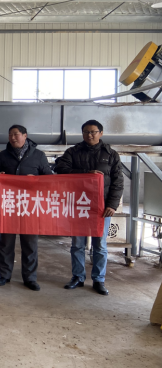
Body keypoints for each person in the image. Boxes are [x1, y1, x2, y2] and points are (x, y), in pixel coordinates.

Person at [54, 120, 124, 296]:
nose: (89, 135)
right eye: (86, 132)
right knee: (77, 244)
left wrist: (112, 205)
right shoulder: (73, 152)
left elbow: (118, 182)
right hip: (79, 205)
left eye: (93, 132)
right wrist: (85, 174)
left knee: (99, 245)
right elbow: (60, 168)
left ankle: (98, 280)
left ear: (101, 133)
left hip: (102, 207)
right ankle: (78, 277)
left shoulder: (111, 154)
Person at [0, 124, 52, 291]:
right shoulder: (3, 156)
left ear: (25, 136)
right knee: (5, 243)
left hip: (30, 206)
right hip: (9, 205)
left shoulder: (38, 156)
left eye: (16, 134)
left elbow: (49, 179)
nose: (13, 138)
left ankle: (30, 278)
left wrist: (37, 180)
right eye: (10, 135)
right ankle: (4, 275)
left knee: (30, 244)